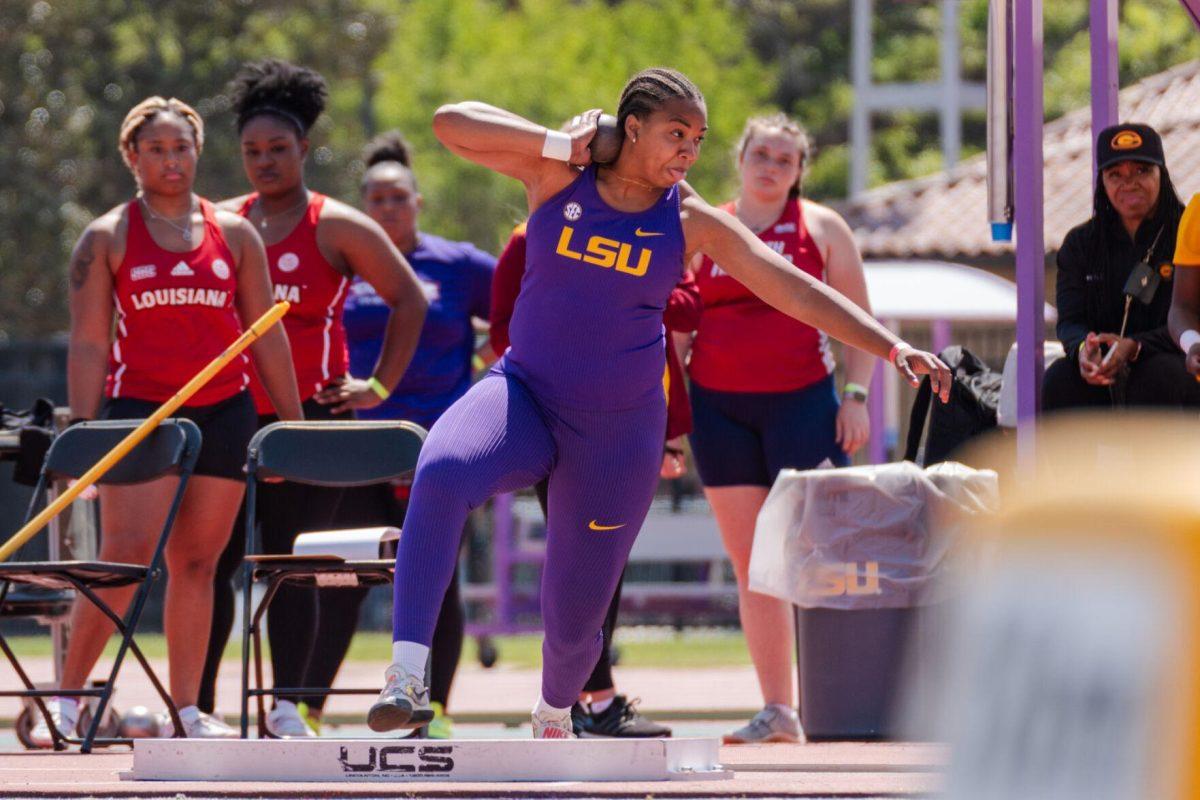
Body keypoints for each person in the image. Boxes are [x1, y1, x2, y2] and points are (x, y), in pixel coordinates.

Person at [368, 67, 950, 740]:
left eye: (698, 139)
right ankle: (406, 676)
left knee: (575, 621)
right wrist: (564, 143)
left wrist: (889, 348)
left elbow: (790, 287)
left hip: (617, 432)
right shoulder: (558, 178)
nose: (689, 152)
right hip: (525, 392)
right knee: (441, 467)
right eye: (676, 134)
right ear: (630, 129)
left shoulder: (691, 219)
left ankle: (555, 713)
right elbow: (451, 123)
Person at [35, 95, 303, 745]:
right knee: (124, 559)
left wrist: (294, 430)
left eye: (181, 147)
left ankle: (188, 710)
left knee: (198, 565)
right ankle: (69, 701)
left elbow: (267, 336)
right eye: (156, 149)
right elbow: (91, 343)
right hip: (142, 414)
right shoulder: (108, 236)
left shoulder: (234, 234)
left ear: (197, 151)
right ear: (132, 156)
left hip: (223, 411)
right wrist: (87, 434)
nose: (171, 160)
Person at [196, 60, 427, 738]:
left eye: (279, 150)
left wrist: (376, 386)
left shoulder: (337, 225)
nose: (265, 162)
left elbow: (409, 299)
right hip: (232, 416)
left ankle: (287, 706)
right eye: (252, 152)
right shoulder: (222, 223)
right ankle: (198, 706)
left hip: (312, 425)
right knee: (209, 561)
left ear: (305, 150)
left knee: (294, 565)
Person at [294, 130, 495, 739]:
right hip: (358, 450)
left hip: (440, 449)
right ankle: (306, 708)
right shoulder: (344, 265)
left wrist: (489, 363)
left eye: (398, 198)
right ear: (362, 208)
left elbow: (520, 310)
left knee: (439, 580)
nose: (387, 209)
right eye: (375, 200)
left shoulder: (457, 265)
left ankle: (433, 712)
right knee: (340, 578)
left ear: (418, 202)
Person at [684, 112, 875, 744]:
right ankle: (779, 710)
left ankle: (843, 703)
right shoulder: (702, 226)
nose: (770, 166)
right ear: (739, 159)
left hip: (804, 407)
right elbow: (675, 327)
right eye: (760, 154)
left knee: (821, 559)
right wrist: (667, 418)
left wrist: (855, 396)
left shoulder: (820, 228)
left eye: (784, 159)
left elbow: (857, 320)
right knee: (753, 565)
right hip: (719, 411)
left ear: (798, 173)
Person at [489, 220, 700, 737]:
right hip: (551, 415)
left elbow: (688, 308)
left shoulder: (655, 234)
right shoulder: (528, 233)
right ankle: (589, 701)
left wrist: (671, 434)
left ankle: (586, 700)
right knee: (577, 558)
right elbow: (500, 330)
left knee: (606, 559)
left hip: (629, 419)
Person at [1045, 123, 1198, 411]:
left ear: (1161, 175)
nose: (1129, 183)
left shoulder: (1187, 229)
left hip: (1170, 361)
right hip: (1103, 364)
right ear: (1101, 181)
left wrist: (1135, 347)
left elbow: (1192, 315)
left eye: (1142, 170)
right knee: (1059, 381)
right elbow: (1070, 320)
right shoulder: (1080, 243)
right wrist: (1084, 349)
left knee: (1160, 378)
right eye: (1115, 174)